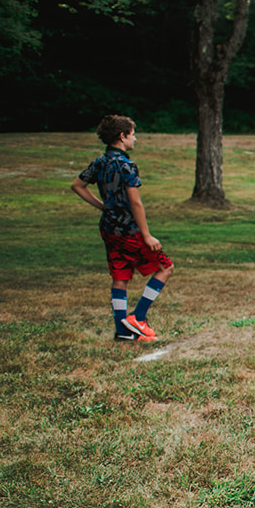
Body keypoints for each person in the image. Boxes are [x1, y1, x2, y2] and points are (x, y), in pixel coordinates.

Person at [69, 114, 174, 342]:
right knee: (165, 267)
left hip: (108, 229)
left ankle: (122, 331)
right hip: (129, 230)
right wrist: (146, 235)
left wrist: (103, 207)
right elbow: (135, 202)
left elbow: (78, 185)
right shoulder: (126, 165)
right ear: (122, 136)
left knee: (120, 276)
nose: (135, 139)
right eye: (132, 134)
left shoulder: (100, 162)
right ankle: (139, 317)